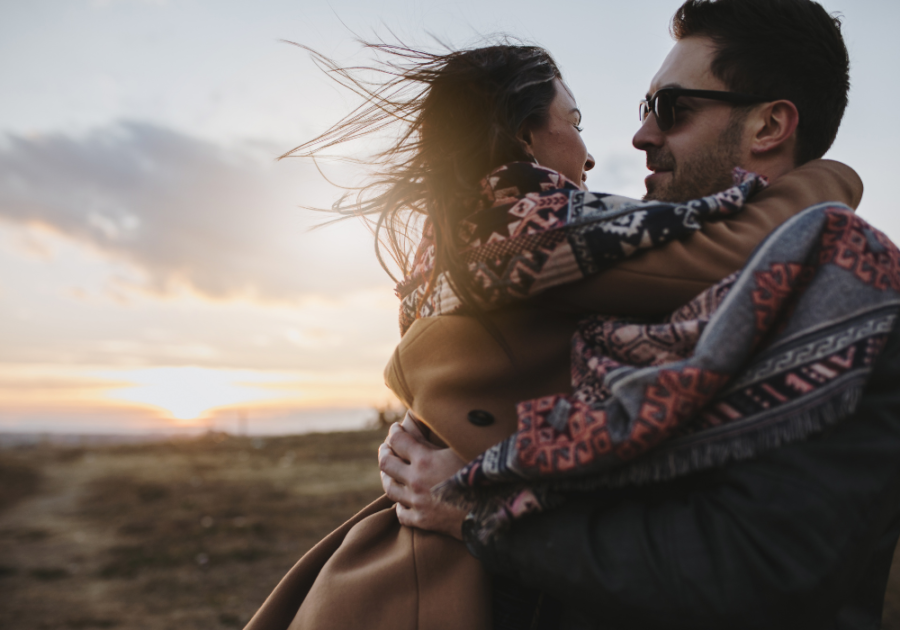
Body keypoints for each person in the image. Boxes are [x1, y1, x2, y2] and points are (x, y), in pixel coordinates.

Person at [378, 1, 900, 629]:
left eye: (672, 109)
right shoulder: (615, 288)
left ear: (768, 127)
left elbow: (757, 571)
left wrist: (478, 507)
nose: (641, 136)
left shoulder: (849, 301)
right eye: (644, 108)